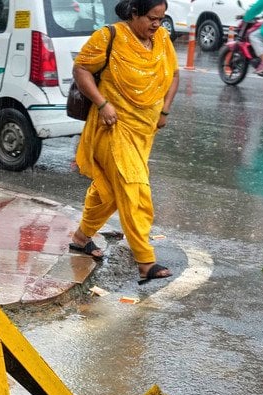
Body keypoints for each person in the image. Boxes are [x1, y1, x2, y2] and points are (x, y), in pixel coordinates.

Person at [68, 0, 179, 286]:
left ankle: (81, 238)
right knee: (134, 187)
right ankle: (145, 262)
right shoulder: (109, 37)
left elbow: (174, 75)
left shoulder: (162, 39)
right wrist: (102, 103)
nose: (157, 25)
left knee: (109, 192)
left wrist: (164, 109)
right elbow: (81, 69)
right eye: (152, 18)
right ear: (133, 13)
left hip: (144, 131)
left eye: (161, 18)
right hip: (112, 128)